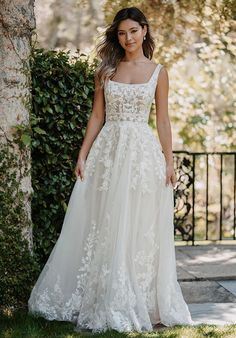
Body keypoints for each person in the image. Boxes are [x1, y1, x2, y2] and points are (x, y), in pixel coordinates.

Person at [28, 6, 194, 333]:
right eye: (121, 33)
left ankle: (143, 299)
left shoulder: (159, 72)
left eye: (133, 31)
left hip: (142, 156)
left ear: (144, 31)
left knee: (137, 225)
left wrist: (169, 161)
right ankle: (103, 294)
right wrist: (83, 154)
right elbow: (96, 117)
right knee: (102, 222)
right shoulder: (106, 71)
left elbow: (162, 119)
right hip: (108, 152)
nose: (127, 38)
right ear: (116, 36)